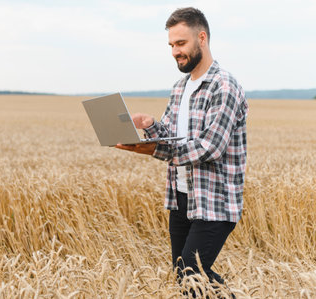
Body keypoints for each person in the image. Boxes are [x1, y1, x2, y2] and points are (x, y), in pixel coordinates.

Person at [116, 7, 248, 297]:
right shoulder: (179, 88)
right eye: (172, 45)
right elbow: (174, 138)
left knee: (191, 272)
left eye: (181, 43)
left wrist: (152, 149)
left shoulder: (224, 86)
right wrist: (150, 126)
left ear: (202, 38)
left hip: (215, 201)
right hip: (181, 197)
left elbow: (209, 147)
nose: (175, 51)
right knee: (186, 276)